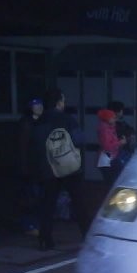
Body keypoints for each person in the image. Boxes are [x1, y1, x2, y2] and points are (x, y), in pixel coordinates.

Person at [31, 88, 91, 250]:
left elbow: (35, 146)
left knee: (48, 205)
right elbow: (79, 139)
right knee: (79, 203)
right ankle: (87, 236)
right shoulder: (67, 119)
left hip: (48, 169)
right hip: (70, 168)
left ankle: (45, 239)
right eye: (63, 100)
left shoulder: (38, 122)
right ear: (58, 102)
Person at [18, 98, 44, 235]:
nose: (39, 107)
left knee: (39, 196)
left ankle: (37, 224)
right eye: (35, 105)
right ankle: (29, 224)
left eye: (40, 105)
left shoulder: (41, 122)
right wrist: (25, 168)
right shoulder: (26, 124)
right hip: (30, 167)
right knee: (30, 197)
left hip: (40, 166)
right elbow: (23, 148)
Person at [96, 108, 126, 186]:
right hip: (107, 159)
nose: (115, 119)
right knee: (111, 182)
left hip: (110, 158)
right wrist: (120, 143)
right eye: (113, 118)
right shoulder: (105, 129)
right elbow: (107, 146)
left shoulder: (109, 127)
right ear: (108, 118)